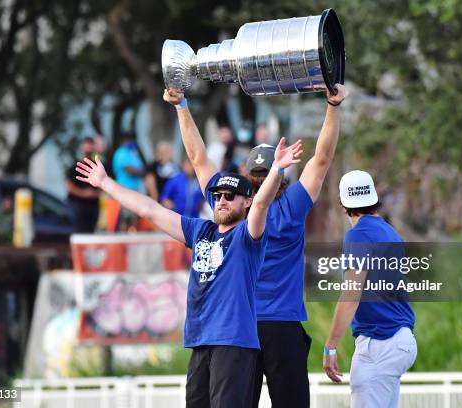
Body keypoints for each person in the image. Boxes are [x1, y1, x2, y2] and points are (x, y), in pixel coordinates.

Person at [75, 137, 303, 408]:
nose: (221, 201)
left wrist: (276, 169)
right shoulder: (200, 230)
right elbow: (150, 209)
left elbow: (263, 205)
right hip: (200, 339)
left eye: (230, 197)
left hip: (233, 343)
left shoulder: (247, 235)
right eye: (217, 196)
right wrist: (105, 183)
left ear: (246, 202)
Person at [163, 83, 348, 408]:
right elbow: (322, 159)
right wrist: (333, 106)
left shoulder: (233, 206)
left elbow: (197, 157)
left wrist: (182, 106)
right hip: (281, 326)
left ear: (247, 180)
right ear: (282, 174)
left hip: (239, 329)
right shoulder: (292, 206)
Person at [323, 170, 417, 408]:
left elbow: (352, 294)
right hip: (401, 339)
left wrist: (331, 345)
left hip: (379, 343)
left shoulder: (358, 235)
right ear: (374, 198)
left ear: (343, 204)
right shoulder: (390, 232)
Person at [66, 137, 100, 233]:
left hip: (93, 205)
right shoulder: (74, 167)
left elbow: (105, 183)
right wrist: (84, 193)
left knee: (91, 231)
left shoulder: (98, 167)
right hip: (78, 204)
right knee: (79, 231)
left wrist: (95, 193)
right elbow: (70, 186)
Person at [112, 135, 145, 230]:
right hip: (124, 190)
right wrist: (141, 172)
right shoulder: (121, 153)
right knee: (125, 218)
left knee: (133, 217)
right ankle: (123, 239)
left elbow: (140, 169)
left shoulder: (132, 153)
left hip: (135, 190)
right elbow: (131, 171)